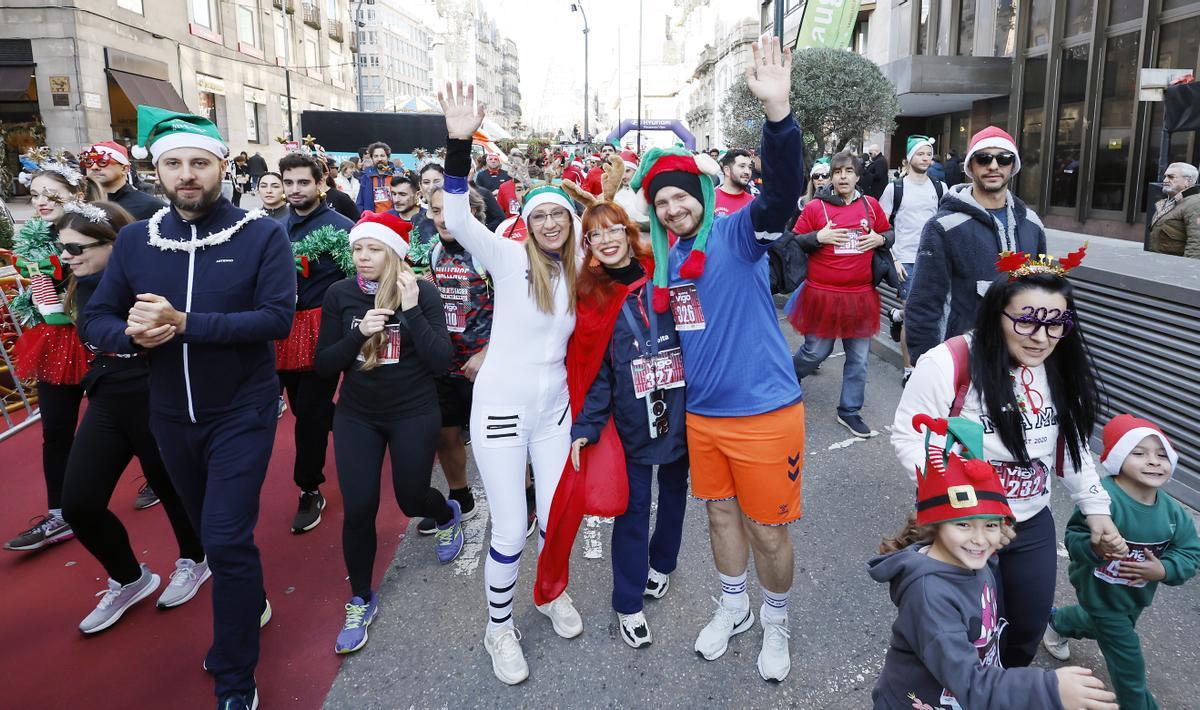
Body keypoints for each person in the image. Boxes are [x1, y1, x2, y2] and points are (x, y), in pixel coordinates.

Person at [80, 105, 295, 709]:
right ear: (157, 170)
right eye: (173, 164)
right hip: (170, 416)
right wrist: (131, 338)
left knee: (225, 540)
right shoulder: (134, 239)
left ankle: (234, 677)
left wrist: (183, 324)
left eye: (199, 162)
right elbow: (93, 317)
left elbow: (275, 319)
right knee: (210, 533)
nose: (187, 175)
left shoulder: (260, 235)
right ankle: (247, 600)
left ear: (223, 166)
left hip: (242, 413)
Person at [628, 37, 804, 682]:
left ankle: (776, 619)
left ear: (700, 189)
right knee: (719, 514)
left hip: (763, 411)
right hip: (701, 415)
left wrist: (779, 114)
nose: (674, 208)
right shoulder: (665, 260)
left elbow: (783, 194)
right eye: (662, 202)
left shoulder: (738, 230)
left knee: (766, 530)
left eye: (681, 196)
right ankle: (734, 606)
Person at [893, 255, 1124, 669]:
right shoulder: (949, 361)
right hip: (964, 521)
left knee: (1025, 629)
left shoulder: (1058, 367)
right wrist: (965, 501)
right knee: (965, 637)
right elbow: (909, 435)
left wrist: (1096, 508)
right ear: (996, 313)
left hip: (1031, 520)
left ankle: (1007, 689)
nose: (1041, 337)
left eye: (1056, 323)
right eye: (1026, 321)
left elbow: (1069, 445)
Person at [440, 81, 586, 685]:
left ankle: (550, 594)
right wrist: (456, 143)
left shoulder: (583, 267)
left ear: (570, 222)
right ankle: (498, 626)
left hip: (555, 412)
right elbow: (454, 216)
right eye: (540, 214)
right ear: (527, 223)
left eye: (559, 213)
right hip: (500, 410)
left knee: (557, 518)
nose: (550, 221)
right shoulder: (505, 256)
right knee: (508, 527)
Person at [871, 413, 1118, 710]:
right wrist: (1049, 688)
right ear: (934, 524)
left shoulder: (977, 560)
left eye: (990, 525)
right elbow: (970, 682)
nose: (979, 539)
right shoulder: (929, 596)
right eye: (963, 525)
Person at [313, 210, 463, 654]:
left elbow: (442, 363)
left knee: (411, 498)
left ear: (394, 254)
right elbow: (323, 366)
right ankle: (360, 598)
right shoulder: (339, 294)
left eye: (373, 248)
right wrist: (357, 335)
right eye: (357, 248)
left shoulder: (425, 293)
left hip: (412, 411)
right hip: (358, 414)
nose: (362, 256)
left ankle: (446, 513)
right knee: (359, 508)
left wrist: (412, 309)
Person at [56, 201, 208, 634]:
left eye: (77, 247)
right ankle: (129, 578)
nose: (68, 256)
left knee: (171, 485)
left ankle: (196, 559)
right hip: (107, 396)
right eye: (62, 247)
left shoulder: (150, 274)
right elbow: (92, 328)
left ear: (114, 243)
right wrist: (123, 334)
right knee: (79, 503)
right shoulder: (84, 284)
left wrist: (145, 336)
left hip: (155, 392)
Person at [560, 176, 689, 649]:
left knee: (675, 493)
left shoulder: (665, 271)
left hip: (679, 408)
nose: (607, 239)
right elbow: (597, 371)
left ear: (628, 232)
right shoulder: (589, 294)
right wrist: (587, 427)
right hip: (630, 419)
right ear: (588, 244)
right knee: (633, 509)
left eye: (613, 228)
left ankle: (663, 564)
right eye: (596, 234)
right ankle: (627, 601)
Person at [1043, 414, 1200, 709]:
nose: (1153, 461)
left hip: (1135, 597)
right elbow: (1075, 535)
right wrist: (1096, 548)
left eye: (1162, 454)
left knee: (1100, 625)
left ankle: (1057, 622)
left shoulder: (1173, 513)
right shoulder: (1103, 500)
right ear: (1117, 459)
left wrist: (1164, 568)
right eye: (1138, 453)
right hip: (1098, 592)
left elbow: (1190, 552)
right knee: (1128, 663)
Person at [5, 162, 102, 552]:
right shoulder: (31, 239)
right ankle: (60, 512)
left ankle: (166, 480)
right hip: (55, 341)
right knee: (56, 429)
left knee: (131, 424)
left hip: (99, 338)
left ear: (76, 194)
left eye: (50, 194)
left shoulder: (96, 232)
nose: (41, 202)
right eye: (36, 194)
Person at [905, 126, 1048, 364]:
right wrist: (927, 366)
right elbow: (923, 304)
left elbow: (1044, 294)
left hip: (1019, 360)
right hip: (963, 362)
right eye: (984, 158)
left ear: (1013, 166)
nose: (993, 166)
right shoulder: (943, 226)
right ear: (970, 167)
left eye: (1003, 159)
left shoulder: (1032, 224)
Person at [788, 150, 894, 438]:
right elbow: (794, 241)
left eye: (848, 171)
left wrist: (881, 238)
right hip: (823, 294)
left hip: (860, 296)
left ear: (858, 175)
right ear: (831, 177)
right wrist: (817, 238)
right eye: (837, 172)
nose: (843, 176)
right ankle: (788, 377)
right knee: (815, 352)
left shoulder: (871, 206)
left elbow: (888, 232)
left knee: (858, 358)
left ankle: (849, 410)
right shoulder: (815, 208)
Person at [277, 151, 354, 533]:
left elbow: (360, 280)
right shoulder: (272, 227)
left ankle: (309, 487)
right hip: (283, 331)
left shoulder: (342, 226)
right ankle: (357, 422)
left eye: (302, 182)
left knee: (308, 411)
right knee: (305, 407)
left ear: (321, 184)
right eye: (288, 182)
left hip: (325, 331)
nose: (294, 190)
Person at [413, 185, 490, 534]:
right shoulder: (432, 254)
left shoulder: (487, 251)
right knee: (446, 435)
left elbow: (516, 309)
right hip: (446, 363)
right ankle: (461, 497)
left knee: (498, 437)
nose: (443, 219)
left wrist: (487, 353)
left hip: (488, 364)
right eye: (435, 210)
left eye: (450, 210)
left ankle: (525, 496)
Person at [878, 136, 947, 382]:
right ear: (909, 158)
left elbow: (945, 223)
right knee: (914, 312)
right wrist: (893, 259)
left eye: (929, 154)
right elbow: (881, 225)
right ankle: (910, 370)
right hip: (904, 258)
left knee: (922, 312)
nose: (926, 158)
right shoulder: (895, 188)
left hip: (932, 259)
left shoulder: (940, 188)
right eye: (921, 154)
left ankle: (896, 316)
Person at [80, 141, 165, 220]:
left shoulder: (150, 206)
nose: (94, 167)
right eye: (88, 162)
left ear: (124, 169)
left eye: (102, 162)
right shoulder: (80, 203)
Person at [1147, 161, 1200, 258]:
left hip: (1175, 267)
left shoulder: (1196, 203)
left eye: (1171, 177)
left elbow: (1197, 243)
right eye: (1165, 176)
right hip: (1159, 263)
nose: (1165, 180)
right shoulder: (1166, 202)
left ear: (1187, 181)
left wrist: (1186, 269)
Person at [612, 150, 650, 232]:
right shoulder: (616, 196)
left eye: (627, 171)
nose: (623, 177)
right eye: (621, 173)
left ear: (636, 171)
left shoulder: (648, 190)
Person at [356, 141, 396, 214]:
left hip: (394, 218)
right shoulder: (366, 176)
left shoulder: (396, 174)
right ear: (372, 158)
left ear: (388, 157)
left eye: (382, 155)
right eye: (376, 156)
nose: (379, 159)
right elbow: (360, 201)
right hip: (373, 220)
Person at [714, 149, 755, 216]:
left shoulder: (753, 203)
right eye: (742, 166)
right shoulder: (711, 199)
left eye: (750, 167)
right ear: (727, 170)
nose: (747, 171)